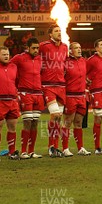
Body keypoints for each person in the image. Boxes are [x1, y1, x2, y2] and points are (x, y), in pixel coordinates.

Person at [10, 37, 44, 159]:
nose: (36, 50)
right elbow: (7, 65)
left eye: (37, 48)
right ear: (27, 48)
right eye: (33, 48)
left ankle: (31, 151)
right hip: (25, 93)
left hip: (38, 93)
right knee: (27, 122)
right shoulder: (19, 58)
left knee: (35, 122)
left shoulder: (40, 59)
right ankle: (23, 151)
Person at [40, 25, 68, 157]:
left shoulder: (64, 47)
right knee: (55, 115)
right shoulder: (44, 46)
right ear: (50, 34)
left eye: (60, 31)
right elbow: (33, 55)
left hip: (61, 85)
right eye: (56, 31)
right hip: (48, 85)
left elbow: (65, 64)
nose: (59, 33)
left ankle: (56, 147)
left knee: (59, 118)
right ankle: (51, 146)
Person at [61, 42, 90, 156]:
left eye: (80, 47)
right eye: (76, 48)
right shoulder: (66, 62)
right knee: (67, 123)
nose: (79, 50)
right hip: (70, 96)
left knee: (78, 123)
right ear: (70, 50)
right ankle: (65, 148)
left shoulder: (83, 61)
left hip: (81, 96)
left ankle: (80, 148)